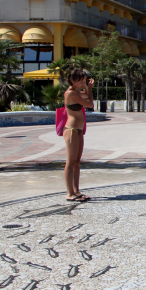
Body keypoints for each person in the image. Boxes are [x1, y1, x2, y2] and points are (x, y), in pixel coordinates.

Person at [63, 68, 94, 202]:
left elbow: (86, 99)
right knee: (70, 162)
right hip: (71, 130)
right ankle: (70, 193)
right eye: (81, 81)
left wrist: (87, 88)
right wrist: (89, 89)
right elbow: (90, 104)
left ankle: (76, 191)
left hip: (78, 130)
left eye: (84, 80)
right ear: (73, 81)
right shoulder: (70, 94)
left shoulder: (76, 92)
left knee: (76, 162)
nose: (83, 83)